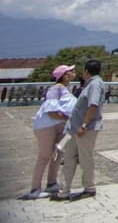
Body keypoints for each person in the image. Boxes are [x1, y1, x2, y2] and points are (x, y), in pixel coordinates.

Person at [20, 64, 77, 200]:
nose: (74, 72)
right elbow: (51, 112)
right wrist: (68, 118)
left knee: (58, 154)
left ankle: (52, 183)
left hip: (60, 126)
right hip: (47, 126)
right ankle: (35, 188)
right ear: (64, 76)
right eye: (70, 71)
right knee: (44, 156)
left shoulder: (66, 89)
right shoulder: (55, 89)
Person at [54, 59, 105, 201]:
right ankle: (64, 190)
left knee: (85, 158)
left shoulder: (95, 84)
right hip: (74, 128)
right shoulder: (90, 84)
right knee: (69, 157)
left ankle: (89, 187)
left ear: (86, 71)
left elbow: (93, 105)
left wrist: (84, 125)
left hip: (85, 128)